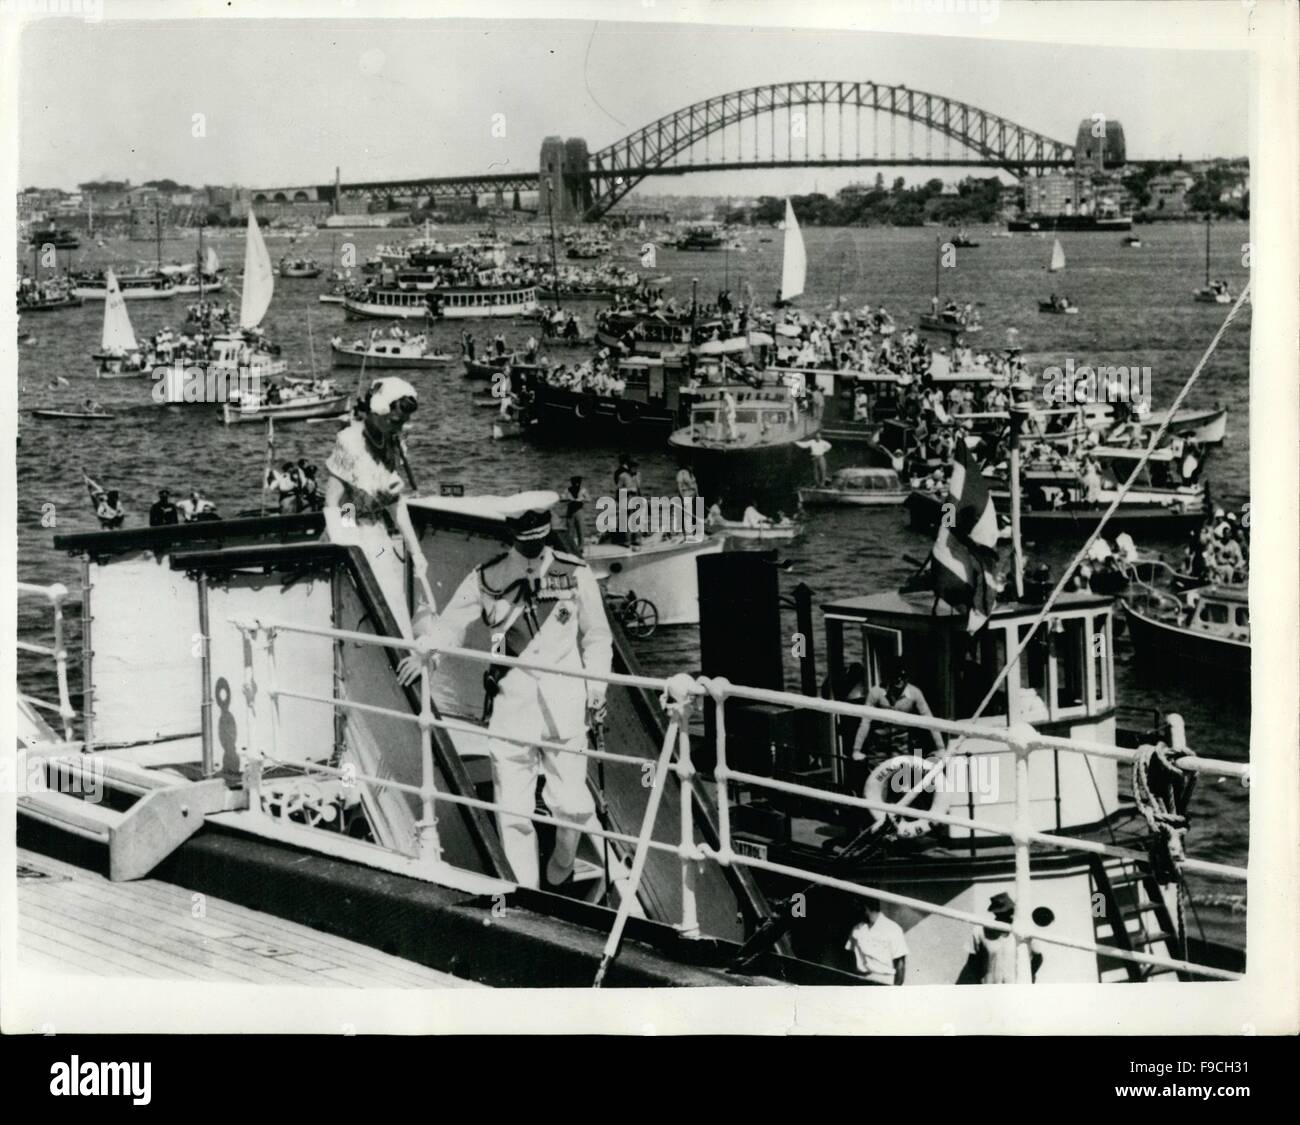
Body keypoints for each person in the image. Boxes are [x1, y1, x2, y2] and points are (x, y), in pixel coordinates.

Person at [400, 492, 612, 889]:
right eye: (526, 533)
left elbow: (597, 636)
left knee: (575, 808)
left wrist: (597, 687)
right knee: (513, 816)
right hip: (511, 710)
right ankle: (526, 897)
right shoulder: (488, 578)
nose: (533, 540)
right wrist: (426, 653)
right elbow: (450, 625)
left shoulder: (575, 573)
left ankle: (562, 864)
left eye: (539, 533)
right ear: (513, 533)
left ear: (547, 529)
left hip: (566, 709)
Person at [323, 376, 426, 635]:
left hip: (377, 534)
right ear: (379, 410)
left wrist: (416, 551)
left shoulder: (393, 443)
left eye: (402, 424)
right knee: (360, 605)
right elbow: (334, 502)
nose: (398, 428)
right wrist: (348, 543)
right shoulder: (350, 441)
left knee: (391, 597)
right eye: (394, 422)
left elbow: (395, 504)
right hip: (350, 533)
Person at [849, 658, 945, 789]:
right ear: (888, 677)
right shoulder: (876, 693)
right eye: (895, 676)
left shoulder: (915, 694)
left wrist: (941, 748)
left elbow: (929, 720)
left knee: (903, 788)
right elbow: (865, 722)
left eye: (903, 676)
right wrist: (856, 750)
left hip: (903, 749)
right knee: (877, 789)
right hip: (878, 752)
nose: (899, 680)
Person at [958, 892, 1042, 984]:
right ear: (995, 913)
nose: (1007, 915)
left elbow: (1038, 957)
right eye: (1001, 913)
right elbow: (973, 961)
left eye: (1009, 911)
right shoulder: (981, 931)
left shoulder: (1024, 931)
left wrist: (1028, 976)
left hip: (1016, 986)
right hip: (990, 985)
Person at [844, 897, 908, 985]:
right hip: (860, 980)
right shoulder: (857, 929)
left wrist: (895, 991)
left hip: (884, 981)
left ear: (865, 907)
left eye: (856, 907)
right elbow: (850, 955)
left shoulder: (893, 929)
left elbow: (900, 964)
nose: (854, 911)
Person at [562, 475, 589, 554]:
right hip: (570, 511)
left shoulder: (583, 490)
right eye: (575, 483)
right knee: (570, 530)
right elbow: (562, 498)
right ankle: (571, 548)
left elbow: (588, 499)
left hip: (579, 511)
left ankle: (581, 548)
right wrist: (568, 499)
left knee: (580, 530)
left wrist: (582, 499)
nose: (576, 485)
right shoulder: (567, 490)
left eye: (578, 483)